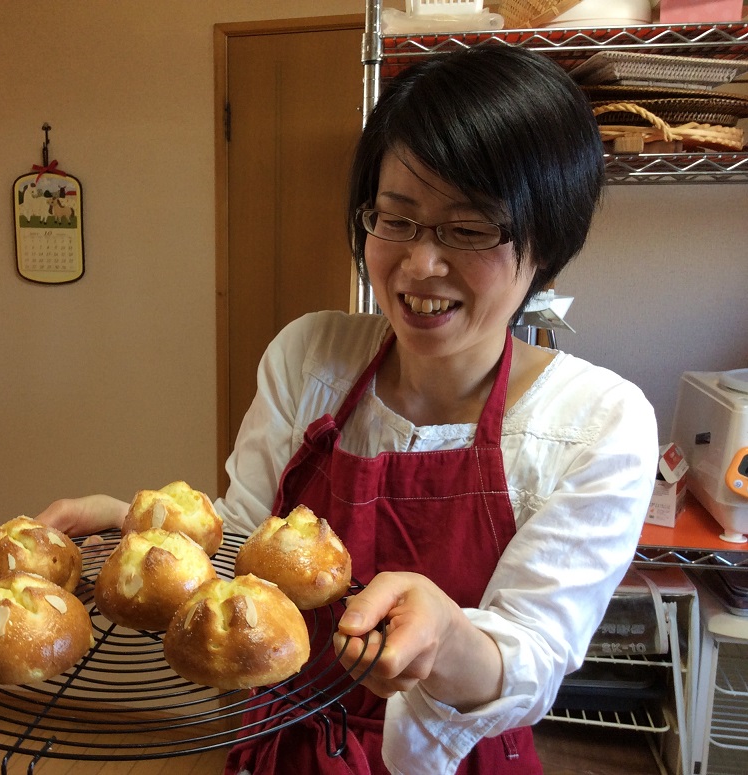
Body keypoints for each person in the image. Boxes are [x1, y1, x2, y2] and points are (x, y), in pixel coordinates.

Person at [37, 43, 658, 775]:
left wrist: (447, 639)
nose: (419, 264)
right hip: (282, 745)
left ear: (546, 241)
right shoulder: (312, 354)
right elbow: (244, 545)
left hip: (448, 757)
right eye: (394, 220)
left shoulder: (595, 422)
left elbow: (533, 657)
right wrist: (139, 526)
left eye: (469, 229)